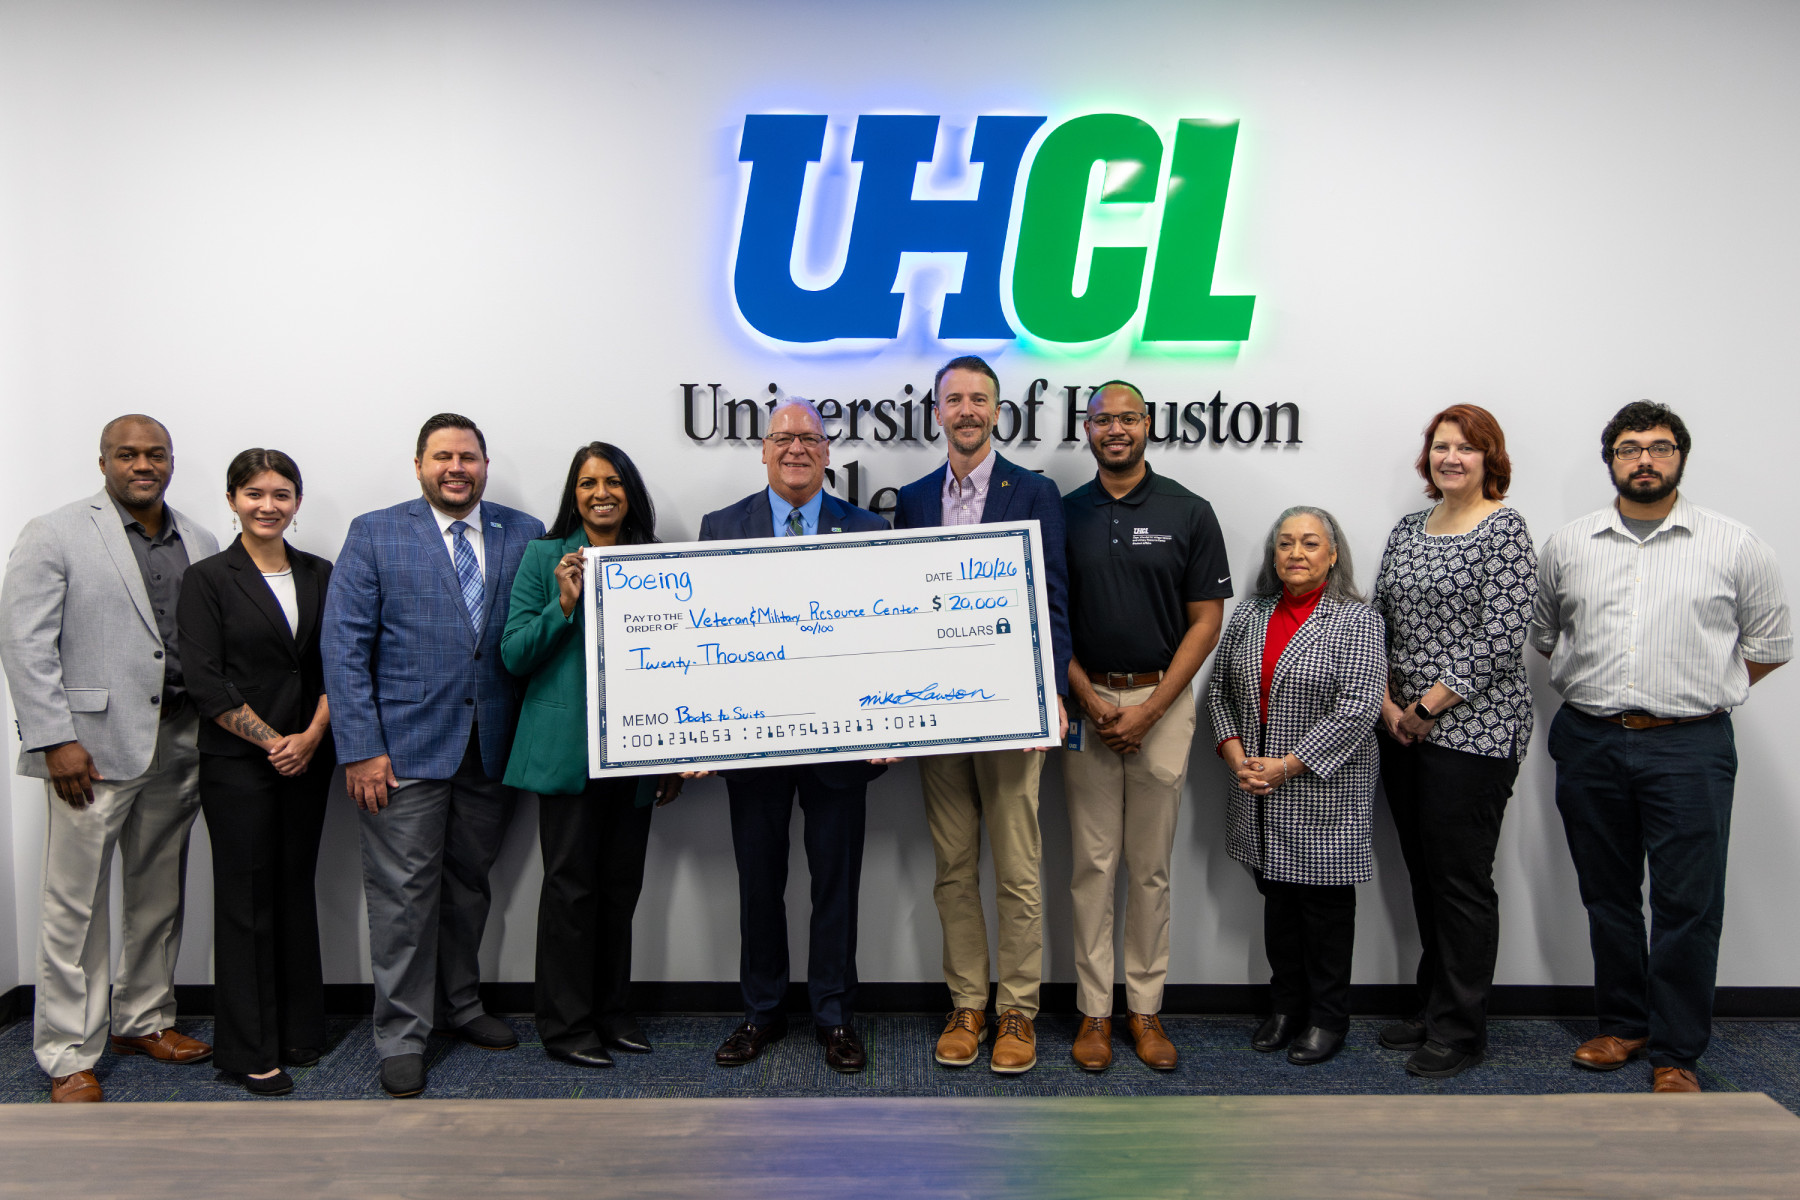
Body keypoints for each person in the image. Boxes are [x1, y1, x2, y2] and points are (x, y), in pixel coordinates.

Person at [1531, 400, 1790, 1093]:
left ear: (1680, 457)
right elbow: (1548, 634)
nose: (1644, 459)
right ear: (1611, 460)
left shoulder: (1735, 544)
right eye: (1629, 448)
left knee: (1688, 903)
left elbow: (1770, 645)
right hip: (1589, 738)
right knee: (1607, 895)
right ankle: (1624, 1025)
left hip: (1689, 745)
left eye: (1660, 447)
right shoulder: (1569, 545)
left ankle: (1677, 1052)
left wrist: (1700, 691)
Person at [322, 412, 545, 1098]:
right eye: (443, 456)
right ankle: (402, 1034)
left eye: (468, 457)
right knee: (402, 898)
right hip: (402, 752)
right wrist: (361, 749)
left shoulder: (525, 532)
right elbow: (344, 647)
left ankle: (461, 1004)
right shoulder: (375, 532)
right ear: (419, 465)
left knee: (469, 885)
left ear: (485, 465)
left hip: (493, 747)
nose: (456, 468)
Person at [0, 415, 220, 1103]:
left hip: (178, 740)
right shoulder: (55, 532)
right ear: (103, 463)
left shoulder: (200, 539)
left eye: (155, 454)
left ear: (171, 461)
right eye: (127, 454)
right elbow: (24, 642)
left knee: (158, 893)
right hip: (87, 752)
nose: (142, 465)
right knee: (75, 906)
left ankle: (143, 1020)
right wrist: (53, 739)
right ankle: (68, 1052)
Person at [696, 398, 889, 1074]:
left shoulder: (868, 528)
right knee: (759, 882)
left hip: (842, 741)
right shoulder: (722, 527)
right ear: (763, 450)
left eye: (809, 438)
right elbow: (703, 633)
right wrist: (698, 728)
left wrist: (889, 718)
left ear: (828, 452)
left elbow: (886, 632)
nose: (796, 448)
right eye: (783, 438)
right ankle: (762, 1011)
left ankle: (833, 1016)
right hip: (753, 741)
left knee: (837, 883)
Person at [893, 356, 1071, 1075]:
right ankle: (967, 1003)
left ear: (997, 412)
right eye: (954, 399)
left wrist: (1051, 692)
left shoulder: (1032, 491)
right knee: (953, 866)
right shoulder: (912, 499)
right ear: (936, 412)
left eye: (979, 399)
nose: (966, 410)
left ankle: (1017, 1010)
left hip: (1011, 706)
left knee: (1019, 869)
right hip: (937, 710)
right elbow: (897, 608)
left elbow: (1052, 595)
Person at [1062, 381, 1230, 1072]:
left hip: (1162, 701)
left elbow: (1207, 621)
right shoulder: (1064, 513)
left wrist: (1151, 708)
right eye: (1103, 420)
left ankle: (1146, 1009)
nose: (1116, 429)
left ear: (1148, 424)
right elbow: (1049, 618)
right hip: (1088, 706)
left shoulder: (1188, 510)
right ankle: (1094, 1012)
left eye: (1127, 418)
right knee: (1093, 865)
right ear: (1087, 430)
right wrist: (1089, 699)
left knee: (1151, 868)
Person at [502, 441, 681, 1070]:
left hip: (636, 753)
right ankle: (566, 1025)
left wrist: (673, 754)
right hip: (567, 754)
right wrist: (564, 604)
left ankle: (611, 1013)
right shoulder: (544, 557)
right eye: (587, 483)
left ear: (630, 491)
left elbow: (677, 664)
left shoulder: (656, 561)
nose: (600, 493)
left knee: (619, 889)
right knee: (569, 891)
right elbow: (514, 654)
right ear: (573, 495)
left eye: (612, 482)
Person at [1371, 404, 1537, 1079]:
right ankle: (1434, 1004)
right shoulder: (1408, 529)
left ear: (1489, 457)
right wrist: (1390, 705)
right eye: (1442, 446)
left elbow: (1500, 637)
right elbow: (1378, 622)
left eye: (1466, 448)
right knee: (1424, 873)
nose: (1451, 458)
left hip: (1475, 733)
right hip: (1401, 729)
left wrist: (1427, 707)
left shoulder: (1505, 530)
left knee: (1461, 881)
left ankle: (1462, 1029)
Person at [177, 449, 333, 1096]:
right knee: (245, 900)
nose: (268, 506)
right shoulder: (208, 579)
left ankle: (299, 1030)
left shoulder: (320, 572)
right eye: (254, 493)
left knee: (295, 889)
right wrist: (275, 743)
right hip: (238, 764)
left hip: (310, 758)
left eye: (281, 494)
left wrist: (311, 737)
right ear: (232, 500)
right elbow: (205, 681)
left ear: (297, 502)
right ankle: (247, 1050)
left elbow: (338, 662)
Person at [1206, 507, 1385, 1066]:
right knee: (1278, 905)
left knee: (1325, 912)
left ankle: (1328, 1017)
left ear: (1332, 555)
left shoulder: (1358, 620)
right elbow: (1219, 693)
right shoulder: (1251, 613)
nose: (1296, 553)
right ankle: (1286, 1007)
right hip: (1256, 789)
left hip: (1325, 792)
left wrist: (1286, 765)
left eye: (1310, 543)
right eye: (1285, 543)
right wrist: (1236, 756)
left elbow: (1358, 708)